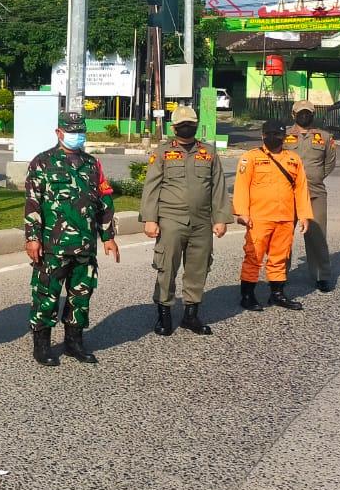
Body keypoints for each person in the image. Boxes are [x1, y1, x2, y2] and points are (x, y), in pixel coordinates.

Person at [23, 113, 120, 367]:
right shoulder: (42, 162)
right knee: (47, 296)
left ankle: (74, 342)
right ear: (59, 132)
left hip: (85, 246)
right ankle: (42, 345)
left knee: (81, 295)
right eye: (72, 131)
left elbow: (104, 200)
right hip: (53, 246)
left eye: (80, 131)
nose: (77, 136)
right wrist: (32, 238)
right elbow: (33, 203)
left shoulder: (92, 164)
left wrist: (108, 237)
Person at [138, 105, 232, 337]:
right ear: (174, 128)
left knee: (198, 268)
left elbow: (218, 186)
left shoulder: (208, 152)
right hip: (171, 219)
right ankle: (164, 314)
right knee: (166, 267)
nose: (187, 128)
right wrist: (150, 219)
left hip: (202, 221)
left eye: (191, 124)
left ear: (196, 125)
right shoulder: (163, 152)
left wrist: (221, 218)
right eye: (182, 125)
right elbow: (152, 186)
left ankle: (191, 315)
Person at [234, 119, 313, 311]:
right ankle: (247, 295)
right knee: (254, 256)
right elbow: (241, 186)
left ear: (284, 137)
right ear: (262, 136)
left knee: (280, 257)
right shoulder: (250, 157)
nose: (273, 138)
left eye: (277, 135)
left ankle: (277, 294)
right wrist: (242, 212)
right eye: (269, 134)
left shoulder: (293, 159)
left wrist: (304, 215)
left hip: (285, 218)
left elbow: (301, 188)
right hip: (259, 218)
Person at [285, 100, 336, 292]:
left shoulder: (324, 137)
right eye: (301, 113)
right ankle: (279, 275)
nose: (304, 115)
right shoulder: (284, 135)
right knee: (283, 236)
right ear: (293, 115)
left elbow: (329, 163)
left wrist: (316, 176)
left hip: (314, 193)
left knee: (317, 236)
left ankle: (321, 276)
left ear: (313, 115)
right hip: (287, 193)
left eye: (308, 112)